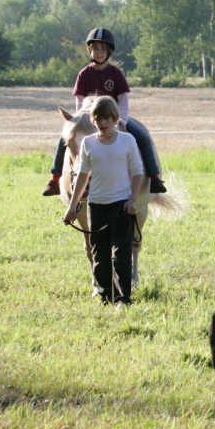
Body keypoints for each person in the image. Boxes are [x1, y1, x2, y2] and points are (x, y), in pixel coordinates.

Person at [42, 28, 166, 197]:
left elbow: (123, 100)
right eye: (95, 49)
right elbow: (80, 100)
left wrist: (120, 120)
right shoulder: (84, 74)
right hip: (89, 120)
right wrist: (83, 119)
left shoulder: (116, 73)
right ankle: (55, 180)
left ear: (109, 52)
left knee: (143, 136)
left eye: (102, 49)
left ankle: (154, 177)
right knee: (64, 140)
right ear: (90, 51)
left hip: (113, 119)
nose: (98, 53)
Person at [62, 96, 144, 307]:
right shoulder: (88, 143)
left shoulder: (128, 140)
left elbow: (137, 171)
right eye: (99, 118)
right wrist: (72, 208)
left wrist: (133, 199)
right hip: (96, 206)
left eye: (108, 118)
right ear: (93, 119)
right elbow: (82, 175)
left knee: (121, 254)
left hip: (121, 205)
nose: (103, 123)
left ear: (115, 119)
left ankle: (123, 299)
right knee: (99, 254)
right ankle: (105, 296)